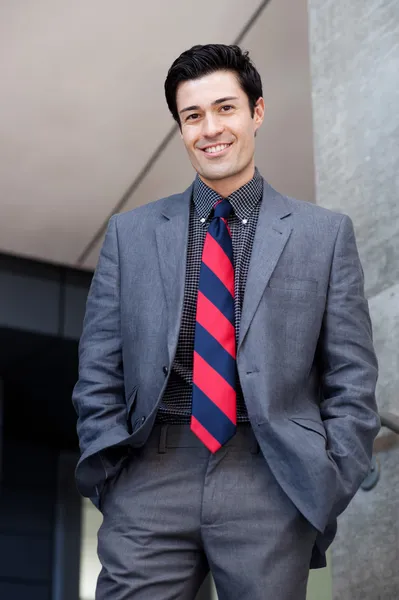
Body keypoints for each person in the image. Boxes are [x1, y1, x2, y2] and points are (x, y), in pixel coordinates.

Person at [72, 44, 380, 600]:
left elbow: (351, 379)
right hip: (150, 474)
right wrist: (114, 479)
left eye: (225, 108)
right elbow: (98, 369)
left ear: (256, 112)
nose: (210, 129)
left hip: (272, 476)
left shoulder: (324, 235)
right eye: (193, 116)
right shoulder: (131, 234)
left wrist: (326, 480)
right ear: (181, 128)